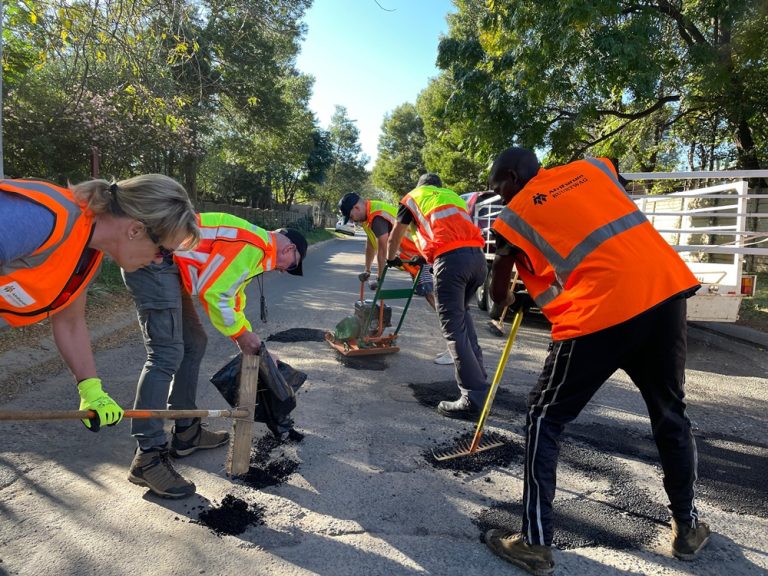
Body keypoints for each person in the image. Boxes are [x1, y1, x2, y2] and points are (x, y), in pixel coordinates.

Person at [484, 147, 709, 574]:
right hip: (663, 292)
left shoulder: (512, 218)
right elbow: (610, 182)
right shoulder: (592, 168)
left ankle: (534, 542)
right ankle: (688, 528)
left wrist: (508, 292)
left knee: (544, 419)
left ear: (513, 177)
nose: (501, 200)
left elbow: (498, 295)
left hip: (600, 313)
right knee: (670, 416)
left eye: (500, 190)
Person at [123, 211, 307, 498]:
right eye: (289, 266)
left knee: (194, 342)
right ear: (289, 249)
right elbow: (215, 293)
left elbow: (233, 296)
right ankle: (147, 456)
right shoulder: (254, 247)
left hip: (170, 265)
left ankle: (186, 432)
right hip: (152, 260)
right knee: (165, 354)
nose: (282, 271)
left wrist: (244, 338)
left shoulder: (256, 250)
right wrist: (241, 334)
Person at [0, 175, 199, 433]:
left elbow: (69, 321)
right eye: (163, 251)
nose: (160, 262)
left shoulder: (85, 251)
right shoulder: (42, 219)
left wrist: (91, 389)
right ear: (135, 230)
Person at [386, 173, 488, 418]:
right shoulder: (453, 198)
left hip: (452, 264)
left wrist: (391, 258)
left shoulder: (413, 197)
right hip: (477, 261)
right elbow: (449, 232)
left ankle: (472, 397)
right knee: (464, 320)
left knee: (453, 328)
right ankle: (481, 381)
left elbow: (396, 235)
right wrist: (427, 255)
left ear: (421, 187)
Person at [337, 192, 452, 364]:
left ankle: (454, 347)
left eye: (351, 216)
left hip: (421, 256)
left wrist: (379, 277)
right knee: (434, 298)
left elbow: (383, 248)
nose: (351, 220)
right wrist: (367, 269)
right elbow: (371, 244)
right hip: (413, 260)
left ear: (357, 207)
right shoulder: (369, 217)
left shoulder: (377, 216)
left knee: (435, 298)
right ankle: (455, 342)